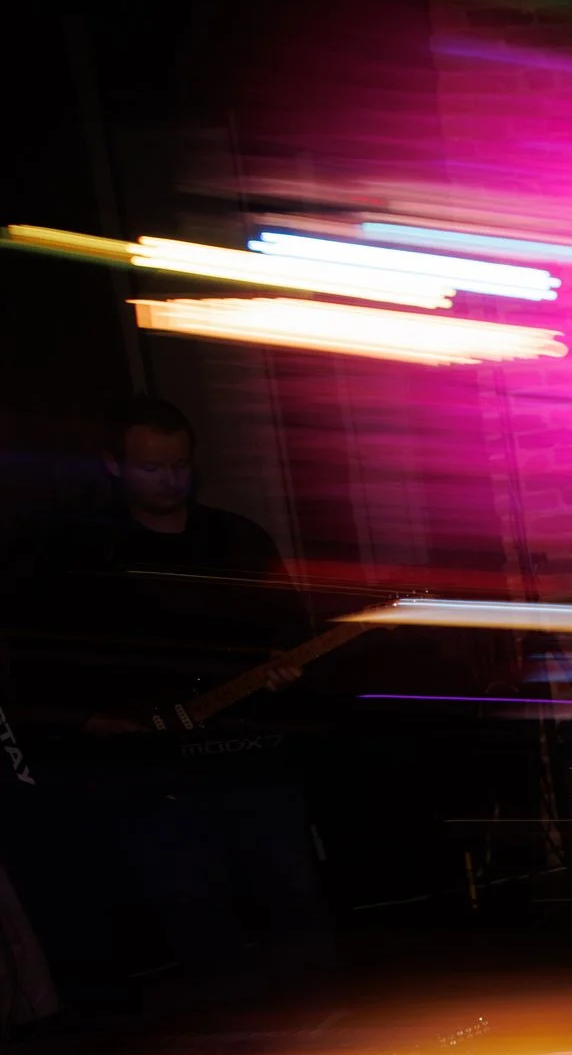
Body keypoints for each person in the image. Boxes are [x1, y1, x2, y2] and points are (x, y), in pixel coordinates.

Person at [14, 400, 334, 1001]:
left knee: (295, 900)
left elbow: (290, 628)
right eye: (150, 468)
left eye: (179, 465)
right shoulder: (79, 554)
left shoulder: (237, 538)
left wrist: (282, 664)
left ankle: (326, 1035)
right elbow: (42, 659)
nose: (169, 481)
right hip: (152, 776)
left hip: (252, 757)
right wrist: (86, 719)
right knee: (194, 917)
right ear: (114, 465)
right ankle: (235, 1054)